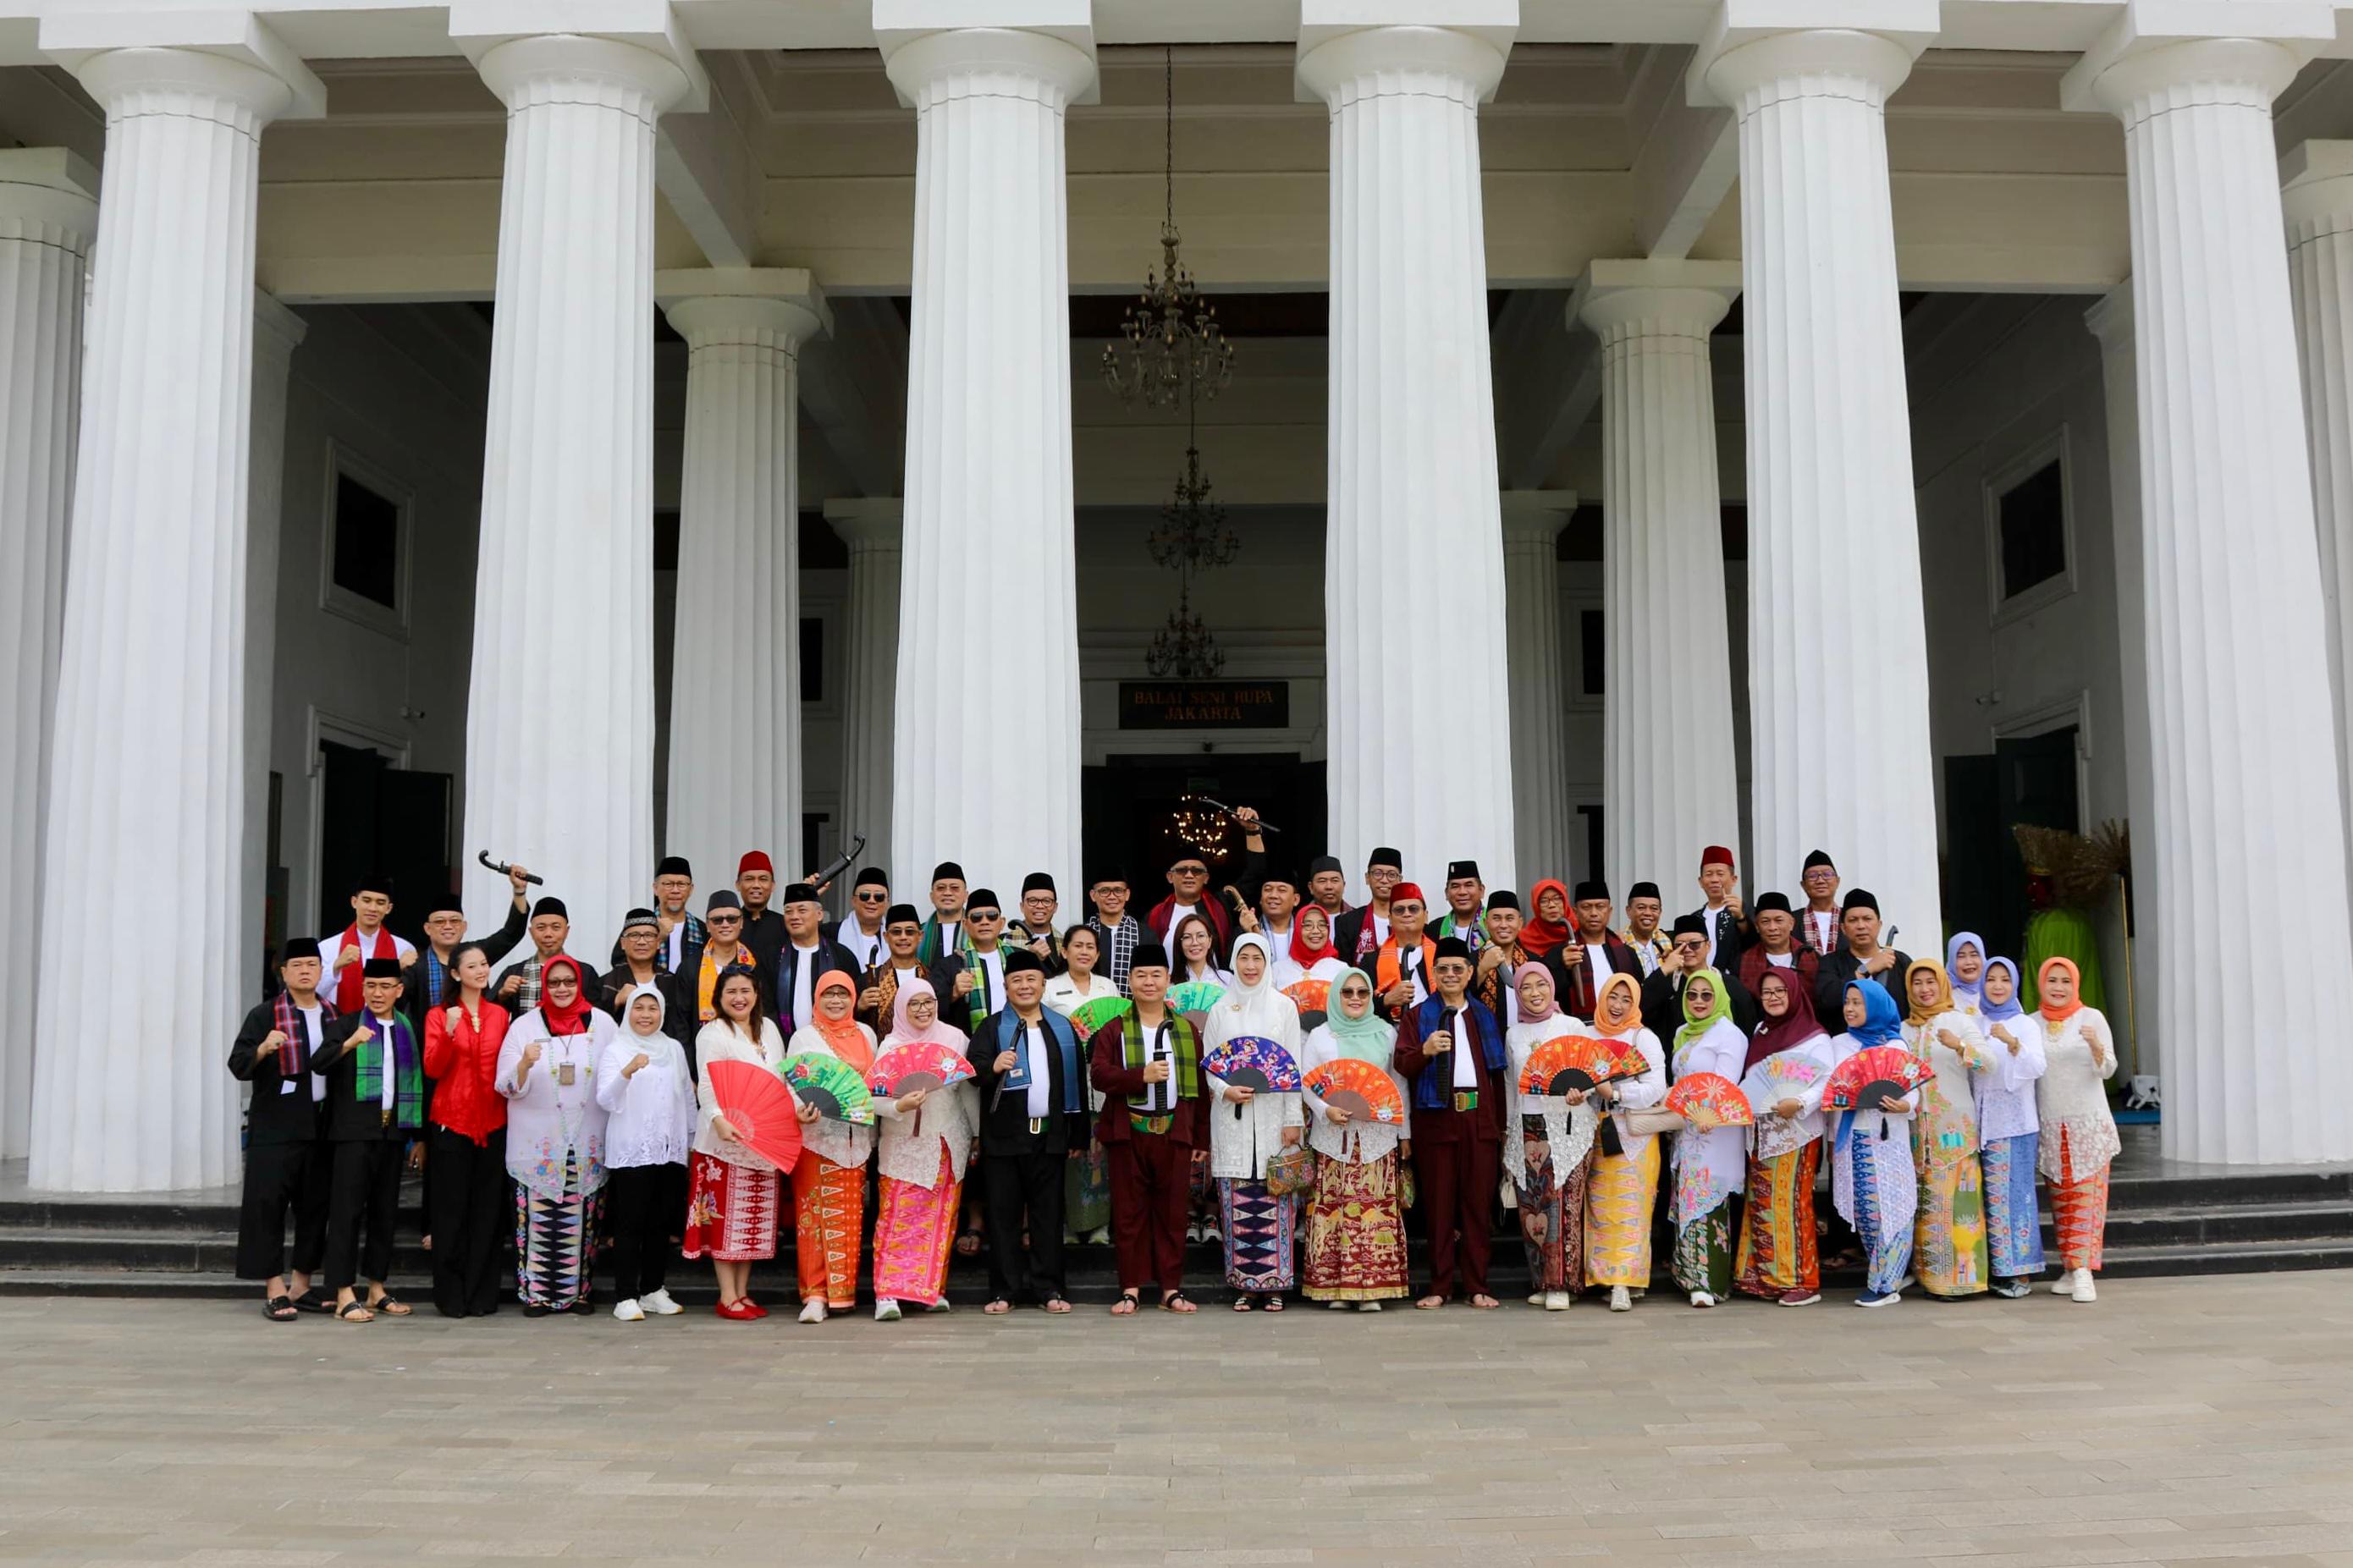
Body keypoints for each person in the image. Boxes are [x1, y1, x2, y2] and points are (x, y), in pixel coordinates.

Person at [967, 948, 1089, 1313]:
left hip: (1050, 1136)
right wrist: (994, 1066)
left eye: (1031, 980)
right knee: (1003, 1217)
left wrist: (1078, 1135)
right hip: (1004, 1138)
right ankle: (1004, 1291)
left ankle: (1049, 1288)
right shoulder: (992, 1027)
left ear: (1043, 984)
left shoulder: (1061, 1027)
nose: (1024, 986)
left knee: (1047, 1217)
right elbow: (972, 1072)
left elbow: (1077, 1084)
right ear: (1006, 987)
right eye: (1016, 980)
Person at [1393, 937, 1507, 1309]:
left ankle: (1477, 1284)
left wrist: (1499, 1126)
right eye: (1443, 969)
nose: (1451, 975)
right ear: (1434, 974)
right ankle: (1439, 1286)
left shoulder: (1483, 1015)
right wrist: (1425, 1050)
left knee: (1477, 1204)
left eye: (1459, 968)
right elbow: (1403, 1064)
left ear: (1471, 972)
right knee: (1439, 1206)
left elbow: (1497, 1077)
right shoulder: (1417, 1016)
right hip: (1435, 1117)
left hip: (1478, 1116)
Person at [497, 955, 614, 1316]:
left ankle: (578, 1291)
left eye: (569, 982)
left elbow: (616, 1072)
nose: (562, 989)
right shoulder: (524, 1026)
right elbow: (504, 1085)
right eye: (554, 983)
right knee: (537, 1218)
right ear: (544, 986)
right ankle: (535, 1295)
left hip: (586, 1138)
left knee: (583, 1218)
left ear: (579, 983)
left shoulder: (604, 1024)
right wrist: (524, 1064)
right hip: (538, 1141)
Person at [1088, 941, 1202, 1314]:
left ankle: (1171, 1288)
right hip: (1130, 1132)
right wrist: (1141, 1076)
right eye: (1141, 975)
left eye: (1156, 975)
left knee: (1172, 1213)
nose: (1149, 982)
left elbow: (1200, 1090)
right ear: (1129, 981)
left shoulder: (1185, 1030)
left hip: (1174, 1132)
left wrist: (1200, 1137)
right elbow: (1100, 1074)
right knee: (1129, 1212)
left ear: (1168, 980)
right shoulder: (1115, 1029)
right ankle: (1131, 1288)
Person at [229, 938, 337, 1321]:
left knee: (315, 1207)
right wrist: (262, 1049)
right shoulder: (265, 1015)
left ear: (322, 971)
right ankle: (274, 1288)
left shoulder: (332, 1014)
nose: (306, 970)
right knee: (268, 1206)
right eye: (298, 965)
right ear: (285, 973)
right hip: (275, 1126)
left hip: (321, 1126)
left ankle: (302, 1284)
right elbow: (238, 1064)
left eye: (313, 964)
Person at [311, 956, 423, 1323]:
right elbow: (319, 1062)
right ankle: (343, 1292)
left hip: (393, 1133)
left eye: (386, 986)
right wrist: (349, 1043)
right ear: (362, 989)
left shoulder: (408, 1028)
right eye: (371, 986)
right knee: (346, 1212)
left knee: (384, 1212)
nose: (378, 993)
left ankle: (376, 1287)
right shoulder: (346, 1024)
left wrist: (417, 1136)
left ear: (399, 990)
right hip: (352, 1134)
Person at [1200, 933, 1306, 1311]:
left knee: (1275, 1201)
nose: (1250, 966)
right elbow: (1210, 1064)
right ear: (1233, 961)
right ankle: (1245, 1284)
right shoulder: (1220, 1009)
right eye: (1243, 958)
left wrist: (1294, 1120)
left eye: (1257, 958)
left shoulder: (1284, 1008)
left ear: (1266, 963)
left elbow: (1292, 1065)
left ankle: (1275, 1284)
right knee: (1239, 1204)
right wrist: (1225, 1089)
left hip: (1275, 1118)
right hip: (1232, 1118)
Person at [1298, 966, 1411, 1310]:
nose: (1355, 999)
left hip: (1377, 1138)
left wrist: (1405, 1134)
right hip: (1334, 1137)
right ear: (1336, 996)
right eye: (1347, 993)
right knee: (1334, 1211)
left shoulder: (1386, 1034)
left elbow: (1398, 1085)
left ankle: (1373, 1290)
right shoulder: (1321, 1035)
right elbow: (1307, 1083)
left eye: (1362, 993)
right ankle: (1335, 1290)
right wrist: (1324, 1110)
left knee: (1374, 1212)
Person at [870, 977, 978, 1319]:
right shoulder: (890, 1045)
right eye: (914, 1003)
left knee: (940, 1219)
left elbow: (967, 1088)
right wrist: (898, 1106)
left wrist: (977, 1133)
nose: (922, 1010)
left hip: (947, 1138)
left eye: (928, 1002)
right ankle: (887, 1293)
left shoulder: (955, 1038)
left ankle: (930, 1290)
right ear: (901, 1007)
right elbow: (871, 1096)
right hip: (904, 1143)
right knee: (898, 1215)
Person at [686, 966, 791, 1319]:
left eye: (745, 990)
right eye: (731, 992)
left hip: (764, 1141)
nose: (739, 998)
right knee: (725, 1219)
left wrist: (795, 1112)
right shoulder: (712, 1033)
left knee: (751, 1219)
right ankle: (726, 1295)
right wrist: (718, 1118)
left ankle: (743, 1293)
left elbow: (782, 1081)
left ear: (757, 993)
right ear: (719, 997)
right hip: (725, 1140)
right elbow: (707, 1083)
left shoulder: (771, 1031)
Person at [1503, 962, 1605, 1312]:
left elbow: (1591, 1071)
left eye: (1541, 985)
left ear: (1551, 987)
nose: (1535, 993)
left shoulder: (1571, 1025)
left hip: (1566, 1125)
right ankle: (1541, 1280)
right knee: (1532, 1205)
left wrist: (1582, 1091)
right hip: (1526, 1125)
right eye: (1526, 987)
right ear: (1517, 993)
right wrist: (1508, 1128)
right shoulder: (1513, 1034)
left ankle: (1562, 1283)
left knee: (1561, 1204)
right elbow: (1509, 1087)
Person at [1733, 971, 1836, 1307]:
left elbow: (1826, 1083)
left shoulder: (1814, 1037)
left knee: (1790, 1203)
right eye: (1767, 992)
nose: (1774, 997)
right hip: (1762, 1131)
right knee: (1761, 1201)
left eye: (1780, 991)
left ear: (1794, 994)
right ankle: (1762, 1277)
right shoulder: (1761, 1031)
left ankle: (1800, 1280)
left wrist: (1801, 1102)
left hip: (1797, 1133)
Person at [420, 941, 510, 1318]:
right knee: (450, 1212)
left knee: (488, 1212)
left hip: (493, 1124)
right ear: (455, 973)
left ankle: (482, 1295)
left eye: (484, 963)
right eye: (471, 965)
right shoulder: (439, 1016)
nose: (481, 970)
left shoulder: (500, 1015)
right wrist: (448, 1032)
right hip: (451, 1124)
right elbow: (433, 1069)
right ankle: (451, 1295)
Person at [784, 970, 879, 1323]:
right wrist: (800, 1110)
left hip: (856, 1142)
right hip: (817, 1139)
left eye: (843, 994)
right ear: (817, 999)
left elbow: (874, 1083)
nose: (836, 1001)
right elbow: (791, 1083)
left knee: (849, 1219)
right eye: (829, 994)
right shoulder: (805, 1037)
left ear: (853, 998)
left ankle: (842, 1294)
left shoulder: (866, 1033)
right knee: (814, 1219)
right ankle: (815, 1295)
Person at [595, 982, 693, 1322]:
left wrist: (690, 1140)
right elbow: (605, 1099)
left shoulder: (673, 1049)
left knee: (660, 1223)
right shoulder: (616, 1049)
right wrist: (627, 1071)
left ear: (662, 1013)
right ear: (629, 1011)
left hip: (669, 1149)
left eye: (652, 1009)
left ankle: (653, 1289)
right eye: (639, 1008)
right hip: (632, 1148)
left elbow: (686, 1097)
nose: (646, 1015)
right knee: (629, 1224)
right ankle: (626, 1295)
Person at [1902, 960, 1991, 1301]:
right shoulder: (1905, 1028)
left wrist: (1959, 1046)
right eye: (1918, 984)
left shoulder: (1958, 1021)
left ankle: (1963, 1279)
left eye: (1931, 983)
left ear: (1943, 985)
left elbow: (1988, 1064)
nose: (1925, 990)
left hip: (1954, 1127)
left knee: (1958, 1202)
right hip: (1917, 1128)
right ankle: (1929, 1277)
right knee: (1927, 1203)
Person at [2034, 956, 2119, 1304]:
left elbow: (2109, 1068)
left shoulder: (2091, 1017)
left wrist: (2096, 1046)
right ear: (2041, 984)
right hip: (2052, 1122)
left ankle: (2085, 1272)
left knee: (2087, 1196)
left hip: (2087, 1122)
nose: (2058, 987)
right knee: (2061, 1198)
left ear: (2075, 984)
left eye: (2065, 981)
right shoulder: (2031, 1023)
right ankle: (2070, 1268)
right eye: (2052, 980)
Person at [1827, 979, 1917, 1307]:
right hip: (1852, 1137)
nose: (1850, 1009)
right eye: (1847, 1002)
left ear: (1876, 1006)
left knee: (1891, 1207)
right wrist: (1831, 1137)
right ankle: (1887, 1273)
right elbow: (1832, 1087)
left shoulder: (1896, 1047)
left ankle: (1886, 1284)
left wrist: (1903, 1105)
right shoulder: (1839, 1043)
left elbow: (1913, 1091)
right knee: (1865, 1211)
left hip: (1887, 1139)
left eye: (1858, 1003)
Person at [1585, 972, 1667, 1312]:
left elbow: (1655, 1088)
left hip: (1634, 1133)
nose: (1617, 1006)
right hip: (1595, 1128)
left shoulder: (1642, 1037)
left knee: (1632, 1207)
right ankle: (1605, 1278)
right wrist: (1587, 1092)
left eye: (1626, 1000)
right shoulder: (1586, 1034)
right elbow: (1572, 1074)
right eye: (1612, 998)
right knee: (1600, 1207)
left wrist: (1616, 1092)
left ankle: (1625, 1281)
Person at [1668, 967, 1747, 1308]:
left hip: (1715, 1129)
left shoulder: (1730, 1035)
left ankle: (1709, 1283)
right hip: (1686, 1129)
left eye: (1706, 995)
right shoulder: (1684, 1032)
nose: (1698, 1001)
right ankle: (1688, 1277)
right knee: (1686, 1199)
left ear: (1719, 997)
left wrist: (1707, 1113)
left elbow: (1724, 1085)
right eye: (1691, 995)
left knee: (1709, 1203)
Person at [1973, 956, 2048, 1298]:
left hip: (2016, 1123)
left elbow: (2037, 1066)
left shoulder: (2025, 1023)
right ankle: (1998, 1270)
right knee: (1991, 1199)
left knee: (2016, 1198)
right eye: (1992, 979)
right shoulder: (1975, 1021)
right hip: (1984, 1123)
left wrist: (2012, 1043)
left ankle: (2021, 1272)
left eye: (2005, 979)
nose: (1998, 986)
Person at [1043, 923, 1118, 1246]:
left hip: (1102, 1083)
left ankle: (1100, 1224)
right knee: (1071, 1155)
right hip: (1066, 1080)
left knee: (1100, 1155)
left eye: (1091, 947)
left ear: (1098, 954)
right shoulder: (1049, 987)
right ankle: (1071, 1224)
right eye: (1078, 946)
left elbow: (1117, 1031)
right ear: (1064, 950)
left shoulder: (1108, 987)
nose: (1084, 951)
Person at [415, 865, 532, 1029]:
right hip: (432, 1046)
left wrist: (519, 891)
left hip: (479, 1040)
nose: (448, 926)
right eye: (440, 922)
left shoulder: (475, 954)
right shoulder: (415, 965)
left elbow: (511, 934)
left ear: (464, 927)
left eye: (454, 921)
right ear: (427, 928)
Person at [859, 903, 966, 1037]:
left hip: (928, 1054)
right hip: (885, 1054)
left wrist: (953, 995)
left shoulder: (934, 978)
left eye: (910, 932)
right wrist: (859, 1007)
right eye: (896, 932)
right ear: (886, 937)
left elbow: (947, 1020)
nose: (903, 937)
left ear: (920, 936)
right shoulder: (869, 980)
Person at [774, 882, 863, 1038]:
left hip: (834, 1046)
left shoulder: (842, 956)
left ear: (819, 914)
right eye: (788, 912)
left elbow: (854, 1002)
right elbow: (767, 1007)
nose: (794, 916)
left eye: (802, 910)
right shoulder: (773, 957)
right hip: (784, 1047)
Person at [1644, 915, 1759, 1032]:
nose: (1687, 950)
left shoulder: (1729, 984)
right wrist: (1664, 970)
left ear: (1708, 946)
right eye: (1680, 945)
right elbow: (1641, 1010)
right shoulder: (1667, 983)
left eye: (1694, 944)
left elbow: (1748, 1025)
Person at [328, 873, 418, 1017]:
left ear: (389, 908)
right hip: (340, 1029)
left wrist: (397, 970)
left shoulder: (404, 948)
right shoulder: (329, 947)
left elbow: (410, 1001)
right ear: (354, 902)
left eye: (380, 903)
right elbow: (312, 994)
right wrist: (335, 967)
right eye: (367, 900)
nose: (373, 908)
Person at [1812, 889, 1909, 1021]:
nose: (1861, 926)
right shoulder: (1830, 963)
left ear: (1879, 924)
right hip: (1846, 1038)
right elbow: (1825, 1000)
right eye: (1853, 920)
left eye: (1867, 919)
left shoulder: (1900, 961)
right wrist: (1865, 970)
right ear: (1843, 928)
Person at [1559, 879, 1639, 1022]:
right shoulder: (1564, 953)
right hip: (1579, 1033)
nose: (1594, 913)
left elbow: (1638, 995)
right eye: (1586, 907)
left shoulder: (1627, 953)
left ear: (1609, 911)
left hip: (1622, 1031)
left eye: (1600, 907)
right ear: (1575, 912)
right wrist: (1562, 967)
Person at [607, 856, 702, 975]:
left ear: (691, 889)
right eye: (668, 884)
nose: (675, 890)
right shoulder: (639, 924)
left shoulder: (702, 930)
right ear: (655, 888)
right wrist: (658, 937)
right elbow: (619, 965)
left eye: (682, 884)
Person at [687, 890, 758, 1040]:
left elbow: (764, 1011)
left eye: (732, 919)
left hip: (746, 1048)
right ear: (707, 925)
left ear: (741, 922)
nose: (725, 924)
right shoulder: (690, 966)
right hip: (703, 1048)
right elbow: (681, 1021)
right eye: (717, 920)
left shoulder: (753, 964)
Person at [950, 889, 1017, 1033]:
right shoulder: (951, 964)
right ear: (965, 924)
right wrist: (954, 993)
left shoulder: (1018, 959)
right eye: (976, 917)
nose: (985, 922)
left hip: (1017, 1037)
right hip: (971, 1045)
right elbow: (934, 1008)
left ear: (1002, 922)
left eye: (992, 916)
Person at [1737, 892, 1822, 1004]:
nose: (1772, 928)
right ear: (1757, 927)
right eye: (1765, 922)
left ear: (1791, 924)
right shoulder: (1744, 961)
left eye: (1779, 921)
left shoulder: (1811, 956)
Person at [493, 896, 572, 1013]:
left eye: (556, 928)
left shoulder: (584, 972)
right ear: (531, 932)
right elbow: (489, 1015)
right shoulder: (514, 973)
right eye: (541, 928)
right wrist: (502, 995)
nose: (548, 934)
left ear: (566, 931)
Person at [600, 906, 677, 1026]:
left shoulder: (673, 982)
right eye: (634, 935)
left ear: (658, 943)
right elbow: (591, 1024)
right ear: (623, 943)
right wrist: (616, 1001)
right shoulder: (604, 983)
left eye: (648, 935)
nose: (641, 942)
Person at [1149, 850, 1234, 956]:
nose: (1189, 875)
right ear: (1170, 877)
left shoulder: (1221, 906)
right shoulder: (1155, 915)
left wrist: (1253, 833)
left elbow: (1253, 876)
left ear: (1206, 878)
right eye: (1182, 870)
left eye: (1196, 871)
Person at [1373, 882, 1436, 1021]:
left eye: (1413, 909)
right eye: (1399, 910)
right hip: (1389, 1035)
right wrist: (1386, 1000)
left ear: (1426, 916)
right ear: (1390, 919)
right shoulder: (1373, 959)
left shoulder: (1441, 956)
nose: (1406, 914)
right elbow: (1360, 1005)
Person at [1681, 845, 1750, 969]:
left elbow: (1752, 941)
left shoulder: (1746, 912)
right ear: (1701, 881)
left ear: (1733, 879)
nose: (1714, 880)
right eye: (1709, 874)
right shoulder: (1694, 918)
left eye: (1720, 874)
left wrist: (1741, 918)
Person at [1335, 845, 1403, 968]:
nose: (1384, 880)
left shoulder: (1409, 920)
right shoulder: (1348, 922)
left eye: (1391, 875)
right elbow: (1341, 968)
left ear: (1400, 880)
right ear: (1367, 878)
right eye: (1378, 873)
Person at [1086, 872, 1143, 995]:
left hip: (1132, 1009)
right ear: (1093, 895)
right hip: (1092, 1008)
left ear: (1127, 894)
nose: (1112, 896)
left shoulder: (1144, 934)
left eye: (1118, 890)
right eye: (1104, 891)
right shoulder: (1084, 934)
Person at [1274, 903, 1346, 989]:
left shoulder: (1341, 970)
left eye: (1322, 925)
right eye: (1308, 925)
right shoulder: (1278, 969)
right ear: (1297, 929)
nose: (1316, 931)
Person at [1009, 872, 1068, 977]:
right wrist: (1029, 956)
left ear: (1055, 907)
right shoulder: (1005, 942)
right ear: (1022, 906)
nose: (1040, 906)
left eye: (1047, 901)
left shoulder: (1066, 943)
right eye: (1033, 901)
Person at [736, 850, 786, 973]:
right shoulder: (729, 924)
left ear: (773, 885)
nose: (756, 885)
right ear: (738, 885)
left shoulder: (785, 924)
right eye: (749, 879)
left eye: (763, 879)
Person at [835, 867, 891, 971]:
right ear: (853, 901)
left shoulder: (896, 937)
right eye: (865, 896)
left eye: (879, 897)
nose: (871, 901)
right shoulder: (832, 933)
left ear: (887, 902)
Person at [918, 861, 970, 966]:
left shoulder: (977, 931)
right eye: (941, 888)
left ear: (966, 896)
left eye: (955, 888)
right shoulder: (918, 934)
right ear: (932, 896)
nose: (947, 893)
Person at [1431, 860, 1487, 950]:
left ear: (1481, 890)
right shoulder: (1434, 928)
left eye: (1469, 885)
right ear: (1446, 893)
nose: (1462, 892)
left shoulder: (1495, 924)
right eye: (1455, 886)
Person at [1620, 882, 1672, 977]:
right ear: (1628, 911)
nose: (1648, 913)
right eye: (1641, 908)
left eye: (1654, 908)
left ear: (1660, 912)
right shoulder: (1619, 944)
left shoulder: (1669, 942)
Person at [1799, 850, 1843, 957]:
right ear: (1803, 885)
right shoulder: (1792, 920)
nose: (1820, 880)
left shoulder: (1852, 918)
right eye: (1812, 876)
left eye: (1827, 874)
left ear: (1837, 881)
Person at [1172, 912, 1232, 989]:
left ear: (1210, 941)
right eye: (1187, 937)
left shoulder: (1227, 979)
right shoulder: (1170, 984)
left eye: (1201, 936)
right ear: (1179, 944)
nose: (1195, 943)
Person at [1518, 878, 1571, 964]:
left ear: (1565, 901)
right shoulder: (1524, 939)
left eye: (1557, 898)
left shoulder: (1578, 930)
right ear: (1536, 906)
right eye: (1544, 901)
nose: (1552, 905)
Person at [1945, 932, 1988, 1015]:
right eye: (1961, 956)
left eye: (1974, 955)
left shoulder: (1996, 990)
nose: (1968, 962)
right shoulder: (1943, 994)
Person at [1304, 855, 1350, 925]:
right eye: (1322, 881)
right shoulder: (1298, 919)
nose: (1329, 887)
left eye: (1335, 880)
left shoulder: (1359, 918)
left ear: (1344, 886)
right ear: (1311, 887)